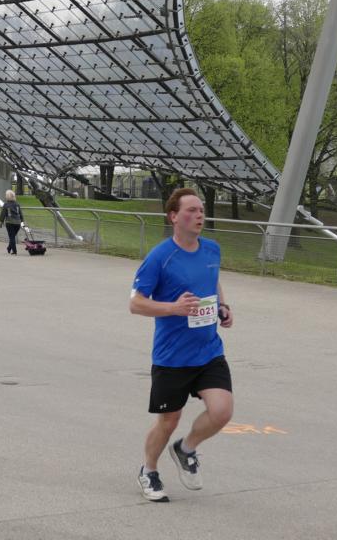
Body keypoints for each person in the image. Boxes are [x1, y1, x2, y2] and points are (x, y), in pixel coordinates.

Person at [129, 187, 233, 502]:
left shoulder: (212, 249)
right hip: (172, 356)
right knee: (168, 420)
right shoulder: (160, 257)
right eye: (191, 210)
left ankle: (186, 449)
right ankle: (148, 470)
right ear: (173, 216)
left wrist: (222, 306)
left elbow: (212, 280)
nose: (199, 215)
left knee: (222, 411)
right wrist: (173, 308)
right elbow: (136, 303)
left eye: (201, 210)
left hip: (208, 350)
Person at [0, 189, 23, 254]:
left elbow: (3, 214)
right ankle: (9, 248)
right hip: (18, 223)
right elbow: (20, 213)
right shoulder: (17, 204)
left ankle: (14, 251)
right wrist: (22, 221)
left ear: (7, 196)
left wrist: (1, 222)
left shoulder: (6, 204)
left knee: (11, 237)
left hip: (10, 222)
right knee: (13, 237)